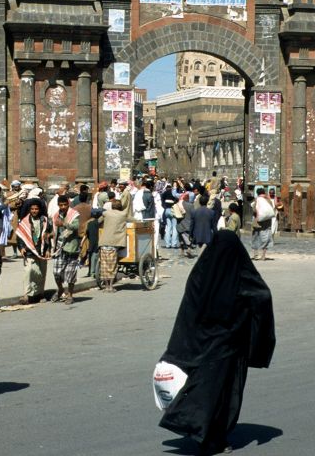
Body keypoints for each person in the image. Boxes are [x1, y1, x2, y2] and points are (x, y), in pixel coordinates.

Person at [158, 230, 275, 455]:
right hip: (228, 344)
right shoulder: (241, 273)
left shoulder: (201, 272)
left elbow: (189, 307)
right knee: (224, 394)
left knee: (205, 390)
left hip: (200, 344)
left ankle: (202, 433)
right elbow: (262, 295)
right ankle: (214, 437)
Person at [16, 198, 52, 304]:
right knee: (28, 272)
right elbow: (20, 236)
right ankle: (26, 295)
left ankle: (40, 294)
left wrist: (48, 249)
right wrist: (21, 247)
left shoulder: (45, 221)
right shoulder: (25, 221)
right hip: (29, 250)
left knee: (41, 273)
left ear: (39, 210)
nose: (34, 211)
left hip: (41, 251)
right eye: (32, 209)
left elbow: (48, 236)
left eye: (36, 209)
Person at [51, 195, 81, 304]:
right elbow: (54, 230)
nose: (63, 207)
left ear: (68, 204)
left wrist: (63, 223)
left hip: (72, 247)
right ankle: (60, 289)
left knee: (70, 273)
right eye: (61, 205)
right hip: (59, 248)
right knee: (56, 272)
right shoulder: (56, 215)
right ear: (58, 205)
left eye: (65, 205)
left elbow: (76, 226)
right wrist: (49, 234)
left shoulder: (74, 214)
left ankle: (70, 295)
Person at [99, 200, 129, 292]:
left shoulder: (106, 213)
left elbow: (99, 221)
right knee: (112, 265)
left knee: (104, 265)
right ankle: (111, 286)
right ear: (120, 207)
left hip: (104, 242)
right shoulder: (123, 214)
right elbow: (134, 220)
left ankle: (106, 286)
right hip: (115, 243)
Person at [251, 188, 275, 261]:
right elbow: (272, 210)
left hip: (258, 222)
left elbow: (254, 209)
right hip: (267, 222)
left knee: (256, 237)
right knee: (266, 237)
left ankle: (255, 255)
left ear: (257, 193)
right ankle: (263, 256)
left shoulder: (257, 199)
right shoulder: (268, 200)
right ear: (264, 192)